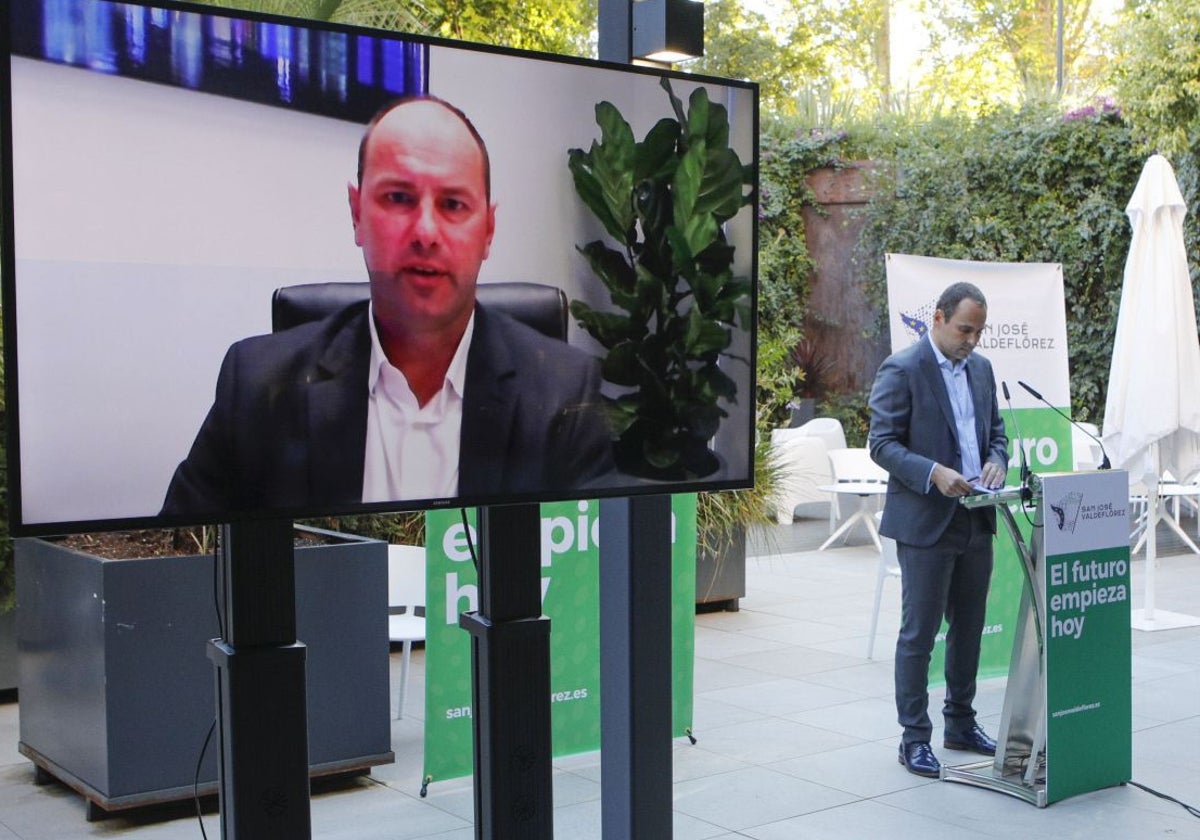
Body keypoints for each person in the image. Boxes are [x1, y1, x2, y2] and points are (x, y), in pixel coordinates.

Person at [161, 95, 613, 516]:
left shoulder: (564, 394)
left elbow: (590, 575)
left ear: (488, 231)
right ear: (357, 214)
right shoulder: (258, 385)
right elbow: (183, 566)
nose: (426, 232)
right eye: (398, 198)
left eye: (454, 204)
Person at [867, 281, 1008, 778]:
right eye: (965, 329)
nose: (972, 340)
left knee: (968, 630)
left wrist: (996, 462)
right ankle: (914, 738)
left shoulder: (983, 370)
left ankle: (961, 724)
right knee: (919, 635)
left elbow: (996, 435)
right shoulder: (903, 369)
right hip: (927, 521)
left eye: (979, 332)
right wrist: (933, 472)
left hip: (976, 518)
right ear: (940, 318)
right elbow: (881, 444)